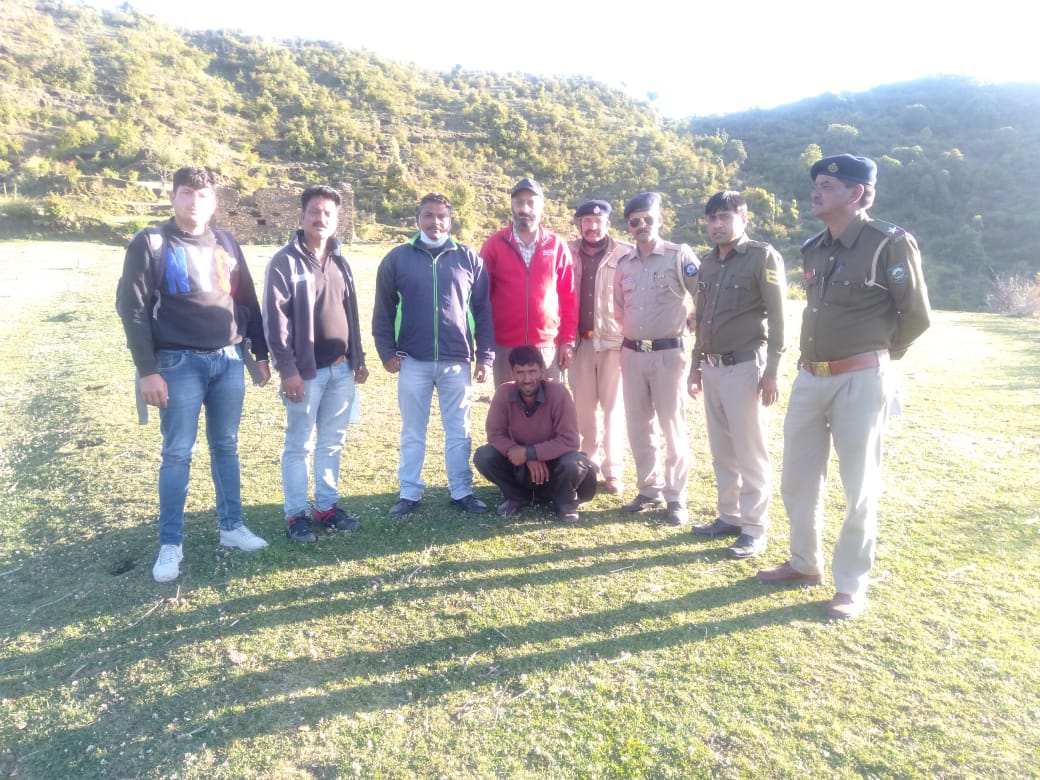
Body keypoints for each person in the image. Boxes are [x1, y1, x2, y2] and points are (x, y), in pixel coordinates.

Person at [757, 154, 931, 619]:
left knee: (859, 486)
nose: (816, 191)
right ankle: (803, 562)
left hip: (861, 377)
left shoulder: (887, 243)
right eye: (816, 183)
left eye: (828, 185)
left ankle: (851, 585)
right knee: (796, 477)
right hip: (810, 376)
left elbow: (915, 316)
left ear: (856, 193)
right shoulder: (815, 247)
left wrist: (877, 357)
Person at [116, 166, 271, 583]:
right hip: (176, 364)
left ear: (214, 202)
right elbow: (131, 309)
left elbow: (247, 299)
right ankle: (170, 543)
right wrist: (148, 371)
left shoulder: (225, 241)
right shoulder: (151, 242)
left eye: (203, 196)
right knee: (178, 453)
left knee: (226, 446)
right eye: (187, 194)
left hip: (227, 361)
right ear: (174, 198)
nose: (195, 202)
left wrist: (259, 351)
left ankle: (232, 527)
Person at [372, 192, 494, 518]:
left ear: (450, 221)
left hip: (457, 360)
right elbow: (383, 310)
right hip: (413, 359)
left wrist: (485, 356)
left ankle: (461, 491)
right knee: (413, 430)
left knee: (460, 430)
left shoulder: (468, 258)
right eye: (429, 216)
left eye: (441, 216)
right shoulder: (397, 258)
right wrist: (385, 351)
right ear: (418, 220)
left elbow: (483, 311)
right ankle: (409, 493)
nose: (435, 222)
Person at [263, 184, 368, 543]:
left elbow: (350, 312)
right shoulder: (285, 262)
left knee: (332, 442)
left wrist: (358, 358)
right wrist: (287, 370)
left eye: (328, 213)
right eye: (314, 212)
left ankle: (326, 507)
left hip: (341, 369)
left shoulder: (340, 260)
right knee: (299, 445)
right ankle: (297, 515)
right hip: (304, 374)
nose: (321, 218)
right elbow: (275, 323)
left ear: (336, 219)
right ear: (302, 216)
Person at [688, 191, 786, 559]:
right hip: (712, 368)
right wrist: (696, 367)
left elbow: (778, 320)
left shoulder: (762, 258)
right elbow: (702, 320)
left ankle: (754, 528)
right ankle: (729, 516)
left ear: (743, 219)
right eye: (711, 218)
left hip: (746, 367)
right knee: (721, 451)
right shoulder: (708, 264)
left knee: (751, 452)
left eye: (724, 217)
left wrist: (772, 371)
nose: (716, 225)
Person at [613, 192, 700, 526]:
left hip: (669, 355)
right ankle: (649, 489)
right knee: (638, 425)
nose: (642, 226)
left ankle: (676, 497)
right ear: (629, 226)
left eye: (648, 219)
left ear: (659, 220)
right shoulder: (624, 264)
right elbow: (620, 307)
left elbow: (701, 295)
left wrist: (691, 327)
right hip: (633, 354)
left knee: (672, 426)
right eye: (635, 221)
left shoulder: (680, 256)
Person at [474, 346, 597, 522]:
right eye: (520, 372)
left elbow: (570, 440)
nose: (527, 379)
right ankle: (516, 496)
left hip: (556, 464)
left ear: (542, 371)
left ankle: (565, 503)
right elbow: (494, 434)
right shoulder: (503, 393)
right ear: (512, 373)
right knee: (484, 455)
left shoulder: (559, 393)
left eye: (532, 371)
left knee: (572, 461)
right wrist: (526, 456)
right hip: (520, 463)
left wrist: (530, 453)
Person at [480, 177, 578, 386]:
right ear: (512, 205)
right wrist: (485, 345)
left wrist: (567, 341)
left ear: (541, 206)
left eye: (531, 202)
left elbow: (568, 297)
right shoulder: (494, 245)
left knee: (547, 409)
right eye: (519, 202)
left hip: (546, 346)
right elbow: (482, 298)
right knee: (509, 408)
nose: (524, 208)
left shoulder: (557, 245)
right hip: (505, 346)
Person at [567, 199, 632, 495]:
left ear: (608, 224)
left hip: (614, 343)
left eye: (598, 222)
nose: (592, 227)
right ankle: (588, 465)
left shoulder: (625, 254)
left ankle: (613, 469)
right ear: (580, 224)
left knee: (613, 408)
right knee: (583, 408)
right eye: (587, 222)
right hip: (579, 342)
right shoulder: (566, 252)